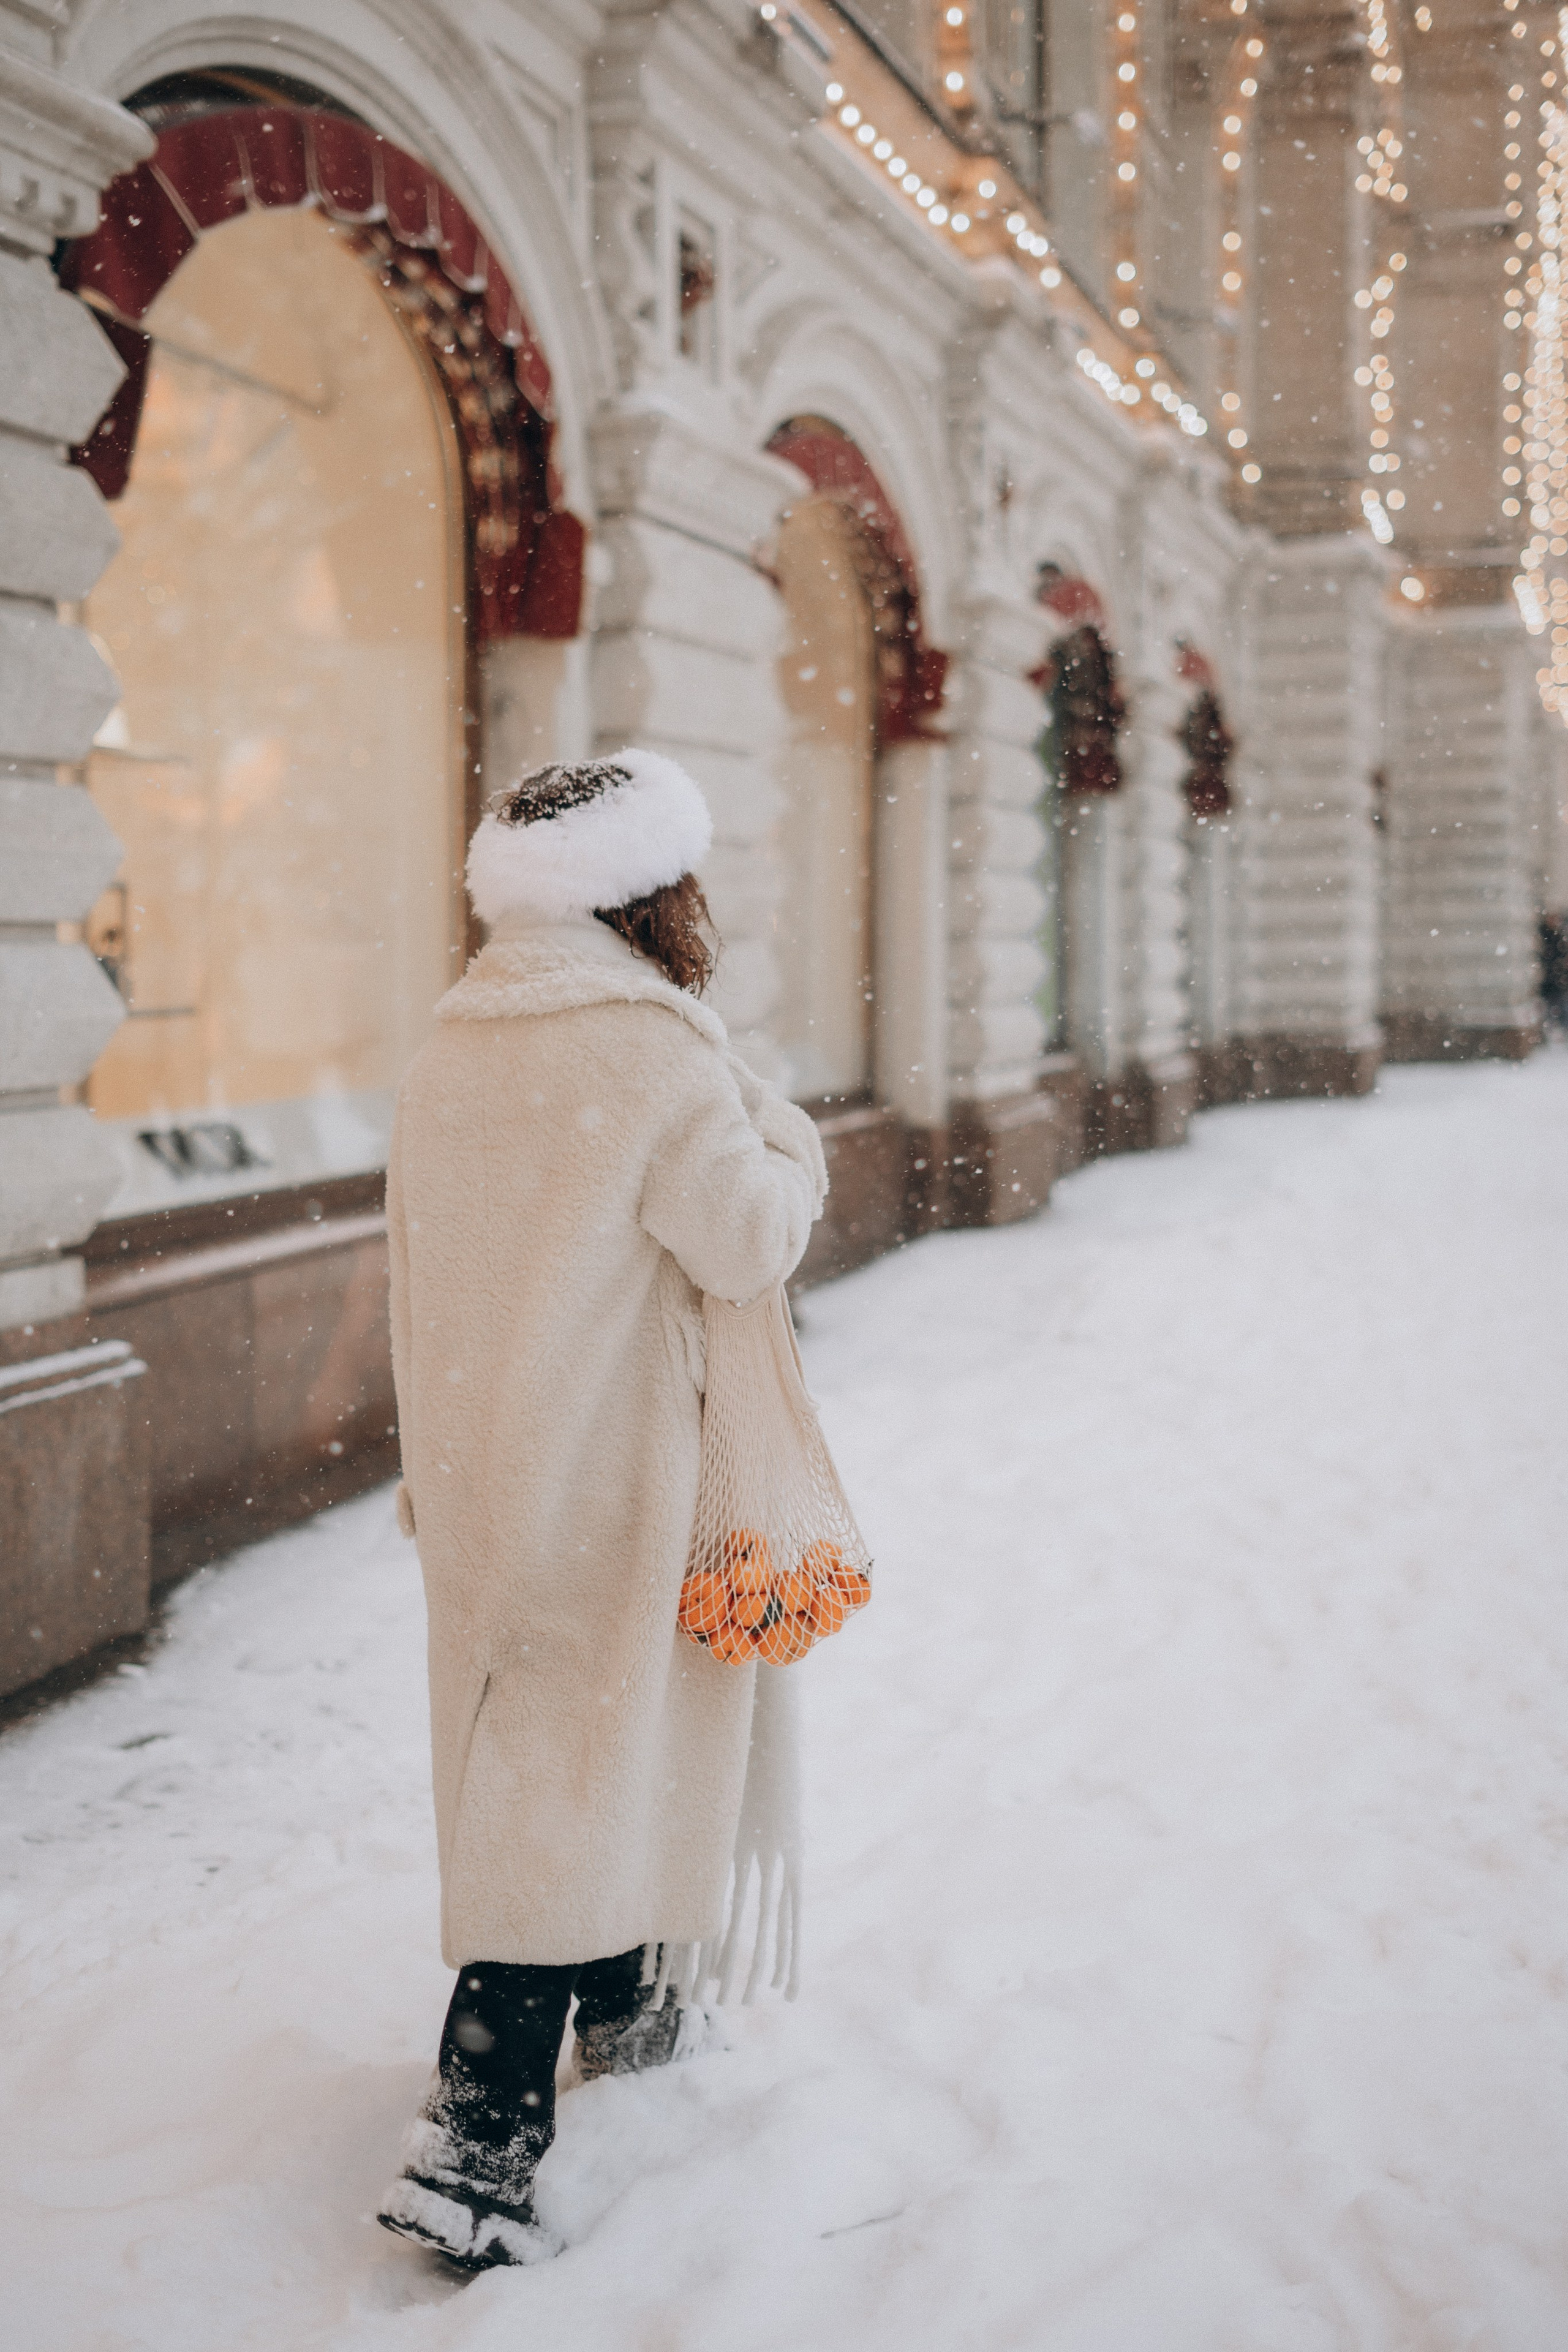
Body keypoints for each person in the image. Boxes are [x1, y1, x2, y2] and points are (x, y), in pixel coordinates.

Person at [377, 750, 827, 2270]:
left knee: (548, 1749)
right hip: (621, 1472)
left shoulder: (451, 1047)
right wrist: (789, 1141)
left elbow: (418, 1274)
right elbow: (745, 1241)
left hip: (485, 1470)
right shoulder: (648, 1053)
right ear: (647, 891)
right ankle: (476, 2139)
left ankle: (633, 2009)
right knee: (574, 1776)